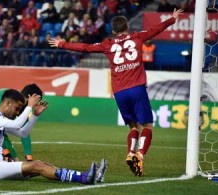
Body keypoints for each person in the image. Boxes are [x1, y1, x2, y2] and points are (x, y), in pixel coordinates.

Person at [48, 8, 183, 177]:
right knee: (147, 125)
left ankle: (130, 153)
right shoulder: (137, 37)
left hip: (120, 92)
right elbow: (155, 30)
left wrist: (62, 44)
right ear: (127, 26)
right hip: (137, 88)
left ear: (113, 31)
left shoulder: (107, 44)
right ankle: (139, 155)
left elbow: (86, 47)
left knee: (133, 126)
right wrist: (172, 19)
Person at [0, 89, 107, 184]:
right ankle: (84, 178)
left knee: (42, 165)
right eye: (17, 108)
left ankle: (85, 176)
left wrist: (35, 116)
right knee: (36, 165)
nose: (17, 112)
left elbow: (22, 133)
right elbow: (16, 124)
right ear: (7, 103)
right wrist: (29, 106)